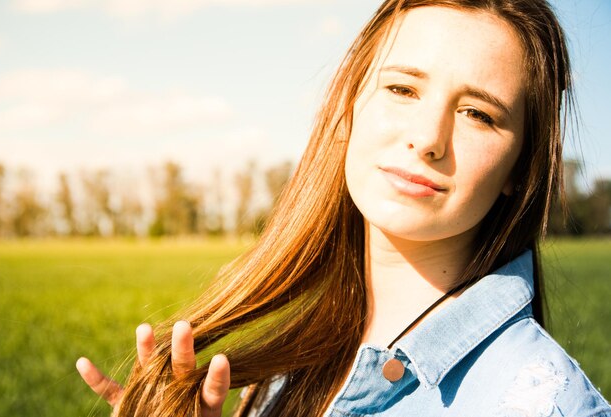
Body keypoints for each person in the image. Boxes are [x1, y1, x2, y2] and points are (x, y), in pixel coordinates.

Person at [77, 0, 611, 416]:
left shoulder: (545, 404)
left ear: (521, 167)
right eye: (402, 89)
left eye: (477, 113)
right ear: (349, 105)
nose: (428, 138)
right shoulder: (286, 364)